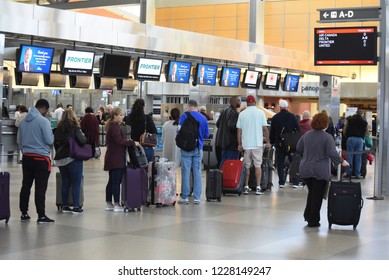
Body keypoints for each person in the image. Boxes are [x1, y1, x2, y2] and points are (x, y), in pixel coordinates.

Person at [296, 111, 349, 227]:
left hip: (305, 169)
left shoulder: (307, 135)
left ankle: (308, 215)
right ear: (326, 124)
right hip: (320, 170)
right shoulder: (327, 137)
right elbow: (331, 153)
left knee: (312, 192)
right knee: (317, 195)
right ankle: (313, 221)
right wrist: (342, 161)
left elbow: (298, 148)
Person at [18, 99, 55, 224]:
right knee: (40, 187)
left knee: (26, 186)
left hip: (27, 157)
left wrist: (26, 150)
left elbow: (20, 141)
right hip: (41, 158)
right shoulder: (43, 121)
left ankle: (24, 213)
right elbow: (49, 140)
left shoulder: (23, 122)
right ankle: (41, 216)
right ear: (43, 108)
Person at [54, 110, 87, 214]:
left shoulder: (57, 129)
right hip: (73, 158)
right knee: (76, 183)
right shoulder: (75, 128)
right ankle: (76, 206)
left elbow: (55, 144)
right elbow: (82, 141)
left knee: (65, 182)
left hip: (61, 159)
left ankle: (65, 206)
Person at [104, 107, 137, 212]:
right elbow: (119, 141)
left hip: (112, 157)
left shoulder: (113, 126)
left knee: (111, 181)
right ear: (115, 116)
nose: (123, 117)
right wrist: (132, 143)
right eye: (121, 115)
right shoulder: (114, 127)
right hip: (116, 158)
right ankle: (116, 204)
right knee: (116, 181)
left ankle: (109, 202)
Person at [236, 95, 270, 195]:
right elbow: (265, 129)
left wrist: (239, 144)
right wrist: (268, 142)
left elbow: (239, 130)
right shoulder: (261, 113)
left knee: (247, 166)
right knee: (257, 166)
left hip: (246, 145)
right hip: (257, 144)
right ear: (255, 102)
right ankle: (258, 187)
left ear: (246, 103)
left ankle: (246, 187)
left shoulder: (242, 114)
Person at [178, 99, 209, 204]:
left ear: (189, 106)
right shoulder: (203, 118)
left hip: (186, 148)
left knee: (186, 172)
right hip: (198, 148)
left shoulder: (183, 116)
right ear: (196, 106)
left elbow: (179, 131)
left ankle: (185, 197)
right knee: (197, 172)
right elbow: (206, 135)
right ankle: (197, 197)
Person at [270, 99, 301, 188]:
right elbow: (298, 130)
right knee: (293, 162)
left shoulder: (275, 117)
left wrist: (272, 141)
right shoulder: (292, 116)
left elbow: (272, 131)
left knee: (280, 163)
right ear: (287, 107)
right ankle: (295, 182)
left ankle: (281, 182)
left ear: (280, 107)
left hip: (279, 144)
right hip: (291, 144)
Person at [215, 96, 241, 168]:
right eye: (239, 101)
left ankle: (220, 178)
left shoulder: (224, 111)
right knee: (231, 163)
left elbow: (218, 124)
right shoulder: (235, 113)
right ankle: (228, 178)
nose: (240, 102)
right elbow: (232, 127)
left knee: (223, 161)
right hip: (231, 143)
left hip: (223, 142)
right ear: (235, 102)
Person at [343, 110, 369, 178]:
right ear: (362, 115)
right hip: (360, 140)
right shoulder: (365, 122)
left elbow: (345, 130)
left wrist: (347, 136)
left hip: (350, 139)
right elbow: (367, 133)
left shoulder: (349, 120)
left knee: (350, 156)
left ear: (355, 113)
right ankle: (357, 174)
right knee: (358, 158)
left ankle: (349, 173)